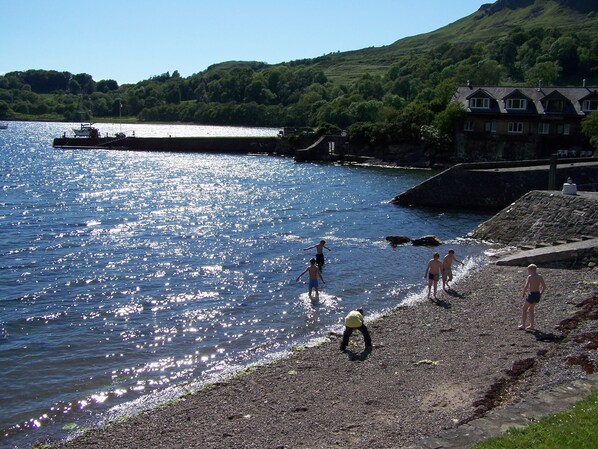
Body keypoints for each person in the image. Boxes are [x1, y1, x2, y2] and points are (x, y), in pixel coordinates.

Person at [520, 264, 546, 331]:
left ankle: (523, 325)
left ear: (531, 269)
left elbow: (526, 286)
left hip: (532, 294)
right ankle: (532, 325)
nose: (528, 271)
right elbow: (544, 286)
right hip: (537, 294)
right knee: (531, 309)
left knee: (524, 309)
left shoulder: (530, 277)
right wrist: (540, 293)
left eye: (528, 269)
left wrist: (523, 293)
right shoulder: (540, 276)